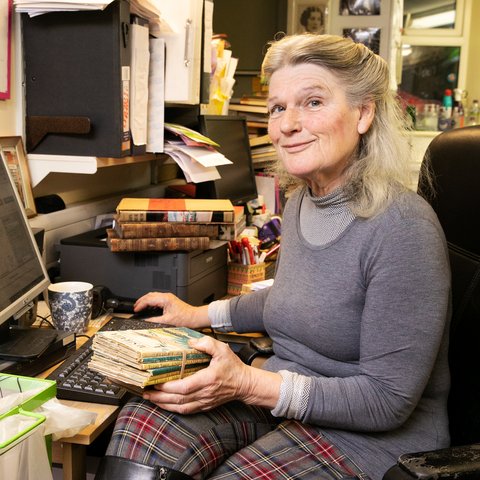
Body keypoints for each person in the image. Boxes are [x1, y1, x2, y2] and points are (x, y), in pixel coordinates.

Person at [95, 34, 451, 480]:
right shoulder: (302, 201)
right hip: (285, 395)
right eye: (278, 108)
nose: (287, 125)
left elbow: (387, 401)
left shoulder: (402, 226)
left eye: (313, 102)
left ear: (363, 113)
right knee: (143, 427)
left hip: (372, 439)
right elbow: (292, 298)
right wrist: (195, 315)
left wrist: (247, 383)